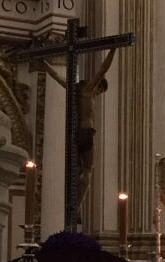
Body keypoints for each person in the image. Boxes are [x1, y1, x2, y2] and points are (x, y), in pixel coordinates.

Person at [42, 47, 117, 210]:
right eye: (100, 91)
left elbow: (56, 76)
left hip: (75, 134)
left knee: (76, 171)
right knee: (88, 170)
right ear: (98, 86)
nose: (98, 94)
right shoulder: (89, 90)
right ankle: (77, 206)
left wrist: (43, 63)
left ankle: (72, 203)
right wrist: (113, 49)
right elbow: (103, 68)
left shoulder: (75, 90)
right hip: (86, 133)